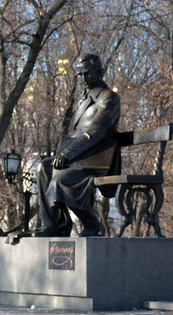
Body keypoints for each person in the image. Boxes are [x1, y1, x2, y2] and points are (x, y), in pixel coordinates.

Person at [34, 54, 121, 237]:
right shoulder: (85, 98)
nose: (83, 79)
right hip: (80, 155)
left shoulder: (109, 98)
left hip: (97, 157)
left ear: (101, 72)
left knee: (60, 179)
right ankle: (51, 225)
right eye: (80, 74)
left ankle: (92, 223)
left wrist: (67, 155)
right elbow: (76, 131)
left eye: (87, 74)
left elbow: (94, 133)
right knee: (43, 166)